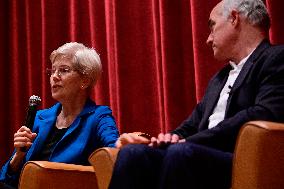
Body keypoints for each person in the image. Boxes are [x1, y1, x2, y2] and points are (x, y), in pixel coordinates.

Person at [109, 0, 284, 189]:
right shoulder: (219, 78)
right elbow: (192, 125)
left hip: (237, 160)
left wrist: (189, 142)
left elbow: (263, 113)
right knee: (133, 154)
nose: (208, 39)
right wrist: (167, 139)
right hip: (192, 151)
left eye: (212, 26)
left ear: (234, 18)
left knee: (180, 154)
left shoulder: (276, 58)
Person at [0, 42, 119, 188]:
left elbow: (114, 152)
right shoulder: (40, 118)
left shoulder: (98, 117)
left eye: (63, 70)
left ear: (85, 80)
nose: (54, 77)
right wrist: (18, 156)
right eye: (53, 71)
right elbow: (6, 179)